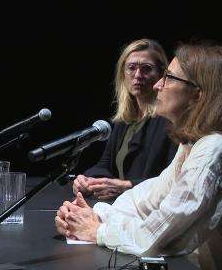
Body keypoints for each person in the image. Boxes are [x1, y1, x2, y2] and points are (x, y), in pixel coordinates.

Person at [56, 41, 222, 270]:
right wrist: (94, 215)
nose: (157, 85)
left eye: (168, 77)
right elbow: (143, 202)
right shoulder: (194, 144)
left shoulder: (216, 151)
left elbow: (158, 238)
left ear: (198, 94)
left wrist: (97, 230)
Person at [73, 39, 177, 200]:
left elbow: (174, 180)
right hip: (120, 208)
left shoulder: (171, 121)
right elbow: (104, 165)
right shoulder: (125, 121)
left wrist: (127, 187)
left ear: (161, 74)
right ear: (123, 73)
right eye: (131, 68)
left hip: (149, 211)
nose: (137, 75)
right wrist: (88, 180)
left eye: (146, 69)